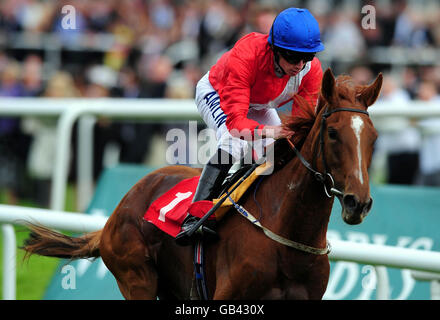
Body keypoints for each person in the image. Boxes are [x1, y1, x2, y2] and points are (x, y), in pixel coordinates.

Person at [175, 7, 325, 246]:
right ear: (276, 49)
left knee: (280, 150)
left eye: (307, 57)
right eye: (293, 58)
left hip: (260, 103)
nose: (300, 65)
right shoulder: (247, 53)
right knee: (235, 142)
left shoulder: (311, 69)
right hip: (217, 92)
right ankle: (194, 217)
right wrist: (269, 131)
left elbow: (301, 125)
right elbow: (236, 124)